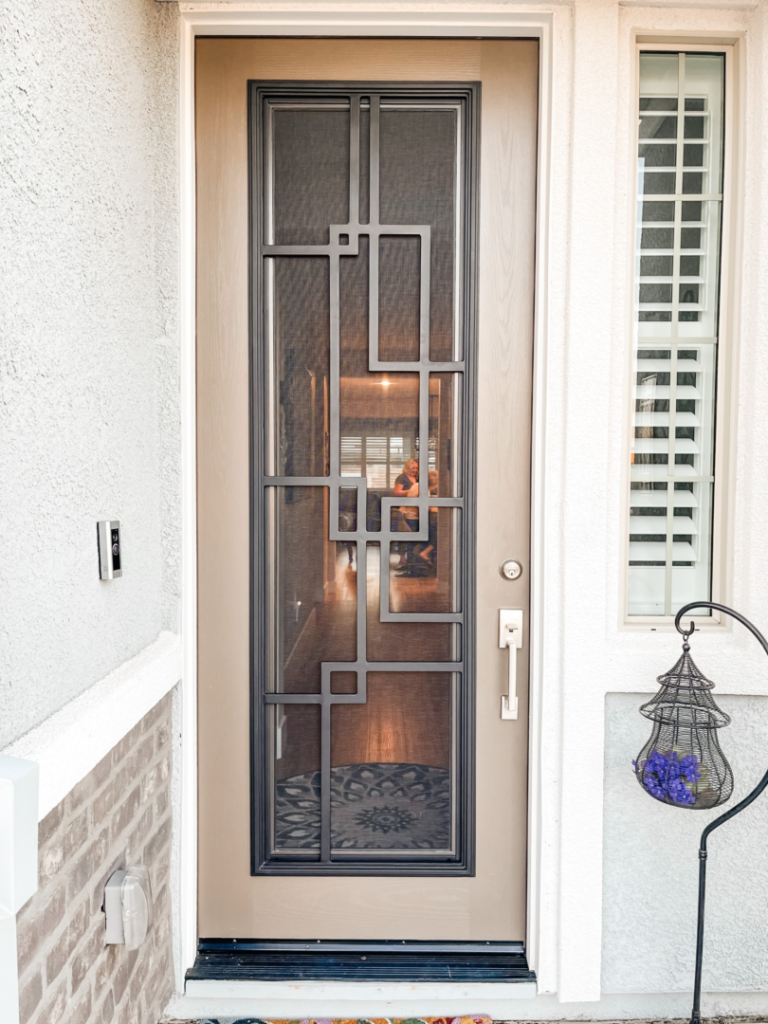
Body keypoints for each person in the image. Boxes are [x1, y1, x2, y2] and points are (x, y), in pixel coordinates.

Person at [392, 458, 419, 567]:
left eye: (416, 468)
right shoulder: (402, 477)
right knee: (405, 533)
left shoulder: (417, 478)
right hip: (404, 509)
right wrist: (412, 491)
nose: (415, 470)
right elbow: (397, 492)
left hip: (415, 508)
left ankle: (412, 558)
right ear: (407, 468)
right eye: (413, 468)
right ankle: (402, 558)